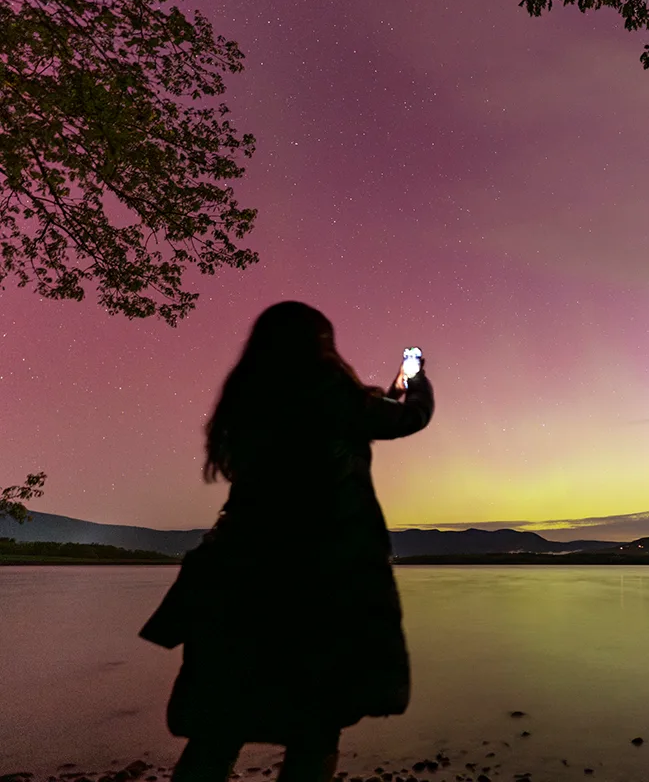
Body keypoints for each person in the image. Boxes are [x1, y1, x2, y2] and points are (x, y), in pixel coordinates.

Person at [140, 301, 434, 782]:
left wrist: (389, 389)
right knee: (314, 727)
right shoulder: (330, 392)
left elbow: (346, 415)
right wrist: (414, 380)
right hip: (319, 579)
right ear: (321, 344)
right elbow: (407, 419)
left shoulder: (249, 398)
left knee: (219, 725)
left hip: (241, 573)